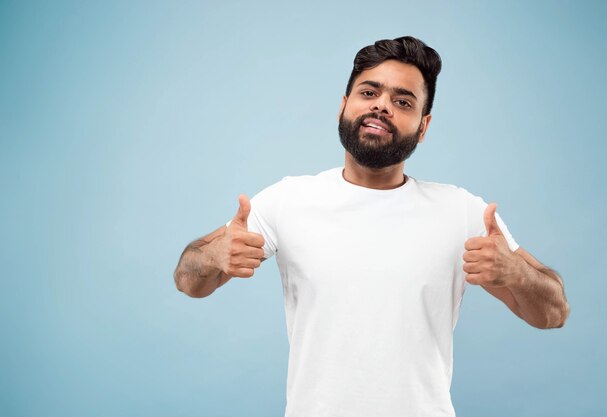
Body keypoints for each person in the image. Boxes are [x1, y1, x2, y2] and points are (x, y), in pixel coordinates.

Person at [174, 36, 570, 417]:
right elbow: (190, 281)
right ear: (344, 105)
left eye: (402, 101)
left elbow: (553, 313)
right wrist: (214, 255)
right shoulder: (286, 200)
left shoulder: (462, 212)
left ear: (423, 126)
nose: (382, 106)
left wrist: (516, 273)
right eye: (369, 93)